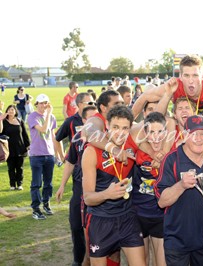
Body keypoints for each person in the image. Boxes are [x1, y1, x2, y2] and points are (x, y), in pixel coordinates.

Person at [155, 115, 203, 266]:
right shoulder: (171, 159)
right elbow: (162, 202)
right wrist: (181, 185)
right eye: (193, 134)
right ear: (184, 135)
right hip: (177, 240)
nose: (198, 138)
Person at [82, 105, 145, 265]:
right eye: (115, 127)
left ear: (130, 129)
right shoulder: (92, 151)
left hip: (127, 218)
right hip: (100, 220)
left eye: (125, 128)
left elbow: (157, 120)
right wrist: (107, 194)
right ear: (107, 126)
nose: (120, 132)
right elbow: (88, 198)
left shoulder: (132, 145)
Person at [132, 54, 203, 118]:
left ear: (202, 76)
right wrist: (129, 123)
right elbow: (145, 96)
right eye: (186, 75)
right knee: (170, 122)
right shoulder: (174, 86)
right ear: (180, 76)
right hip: (184, 121)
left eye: (195, 75)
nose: (191, 81)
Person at [55, 105, 98, 266]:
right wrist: (62, 186)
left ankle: (93, 258)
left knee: (93, 228)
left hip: (96, 190)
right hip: (78, 189)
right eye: (91, 118)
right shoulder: (78, 138)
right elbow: (70, 162)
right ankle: (78, 259)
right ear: (84, 120)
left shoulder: (106, 137)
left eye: (97, 117)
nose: (95, 121)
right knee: (76, 225)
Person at [132, 112, 171, 266]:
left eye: (160, 132)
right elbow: (132, 131)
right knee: (142, 262)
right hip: (138, 214)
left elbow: (172, 123)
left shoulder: (171, 152)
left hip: (161, 216)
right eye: (151, 132)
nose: (156, 137)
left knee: (162, 263)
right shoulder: (137, 150)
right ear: (145, 134)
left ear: (166, 133)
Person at [27, 94, 57, 220]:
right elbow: (44, 130)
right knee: (36, 184)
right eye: (41, 103)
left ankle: (46, 203)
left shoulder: (52, 117)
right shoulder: (32, 116)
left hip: (49, 154)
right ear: (36, 104)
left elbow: (53, 136)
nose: (44, 106)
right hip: (36, 155)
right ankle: (36, 209)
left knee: (48, 183)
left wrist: (58, 154)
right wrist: (49, 114)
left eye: (46, 103)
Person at [55, 92, 95, 162]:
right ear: (80, 104)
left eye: (94, 103)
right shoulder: (71, 121)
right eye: (90, 103)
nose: (92, 105)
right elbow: (57, 138)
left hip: (94, 161)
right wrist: (62, 157)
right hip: (77, 164)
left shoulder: (97, 119)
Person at [0, 105, 30, 190]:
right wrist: (1, 120)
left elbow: (25, 134)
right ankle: (12, 185)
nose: (11, 111)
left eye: (12, 110)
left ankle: (19, 184)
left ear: (15, 111)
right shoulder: (4, 122)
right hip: (9, 149)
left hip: (20, 148)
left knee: (20, 168)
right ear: (7, 111)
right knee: (11, 168)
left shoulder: (20, 121)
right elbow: (0, 131)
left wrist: (28, 145)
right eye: (9, 110)